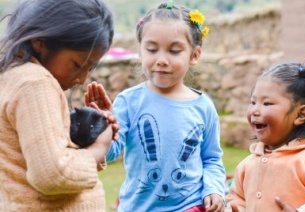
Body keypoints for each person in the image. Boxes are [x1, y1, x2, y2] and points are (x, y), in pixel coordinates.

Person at [105, 2, 226, 212]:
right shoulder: (128, 102)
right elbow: (110, 153)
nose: (161, 60)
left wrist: (214, 189)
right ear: (141, 51)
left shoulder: (203, 106)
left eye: (174, 51)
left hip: (190, 206)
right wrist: (101, 126)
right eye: (152, 49)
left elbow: (212, 158)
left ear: (194, 55)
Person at [0, 0, 118, 211]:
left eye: (89, 69)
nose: (82, 79)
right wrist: (99, 148)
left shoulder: (12, 77)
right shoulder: (35, 83)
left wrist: (92, 130)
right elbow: (53, 174)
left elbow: (35, 158)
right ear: (40, 41)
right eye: (77, 65)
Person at [225, 58, 305, 211]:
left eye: (267, 103)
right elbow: (237, 200)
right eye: (253, 102)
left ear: (300, 115)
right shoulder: (247, 165)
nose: (254, 110)